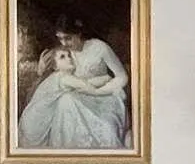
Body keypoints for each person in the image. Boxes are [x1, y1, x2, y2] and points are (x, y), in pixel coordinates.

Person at [17, 20, 130, 150]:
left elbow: (122, 77)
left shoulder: (99, 47)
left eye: (68, 38)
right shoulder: (63, 53)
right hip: (77, 99)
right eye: (60, 38)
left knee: (105, 128)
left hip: (103, 99)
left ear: (79, 33)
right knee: (66, 101)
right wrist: (41, 71)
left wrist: (104, 87)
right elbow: (49, 82)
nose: (64, 43)